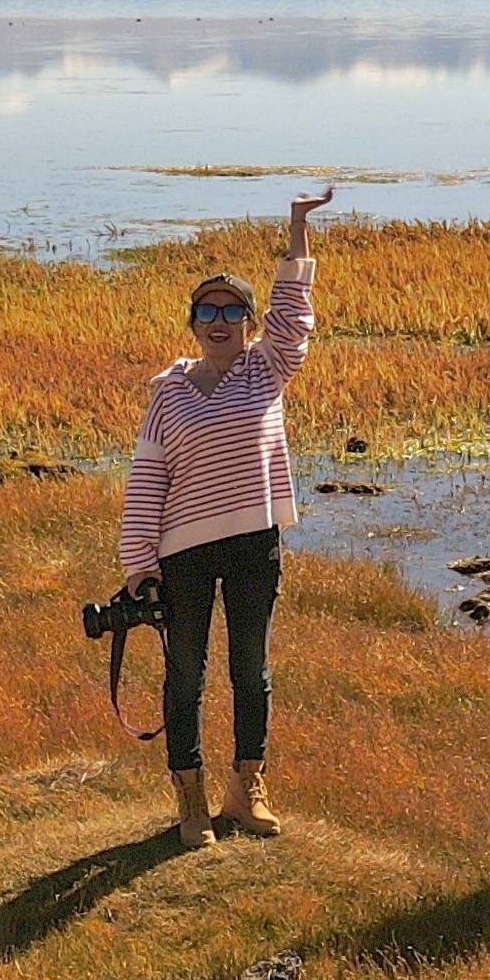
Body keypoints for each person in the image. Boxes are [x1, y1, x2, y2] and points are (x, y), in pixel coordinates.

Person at [119, 187, 332, 849]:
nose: (219, 320)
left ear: (249, 323)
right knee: (185, 673)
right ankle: (191, 798)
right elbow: (148, 479)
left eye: (232, 310)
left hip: (254, 545)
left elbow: (295, 315)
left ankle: (247, 789)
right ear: (192, 324)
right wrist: (137, 564)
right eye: (206, 310)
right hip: (183, 553)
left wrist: (296, 231)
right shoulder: (168, 395)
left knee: (252, 670)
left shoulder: (265, 371)